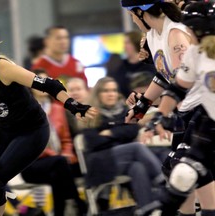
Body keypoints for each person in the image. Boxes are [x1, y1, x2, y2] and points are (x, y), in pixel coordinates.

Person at [0, 24, 96, 216]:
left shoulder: (3, 68)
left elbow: (49, 85)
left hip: (32, 131)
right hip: (5, 131)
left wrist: (73, 105)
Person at [141, 2, 215, 215]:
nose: (187, 31)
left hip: (204, 115)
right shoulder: (195, 54)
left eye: (190, 27)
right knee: (182, 170)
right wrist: (161, 118)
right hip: (207, 120)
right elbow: (177, 89)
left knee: (187, 169)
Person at [80, 77, 164, 213]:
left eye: (113, 90)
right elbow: (93, 141)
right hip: (101, 162)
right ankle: (162, 180)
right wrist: (120, 132)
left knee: (137, 167)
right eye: (106, 91)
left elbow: (132, 129)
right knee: (136, 148)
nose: (111, 94)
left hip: (123, 160)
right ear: (98, 93)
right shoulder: (89, 113)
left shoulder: (123, 110)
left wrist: (110, 133)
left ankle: (147, 208)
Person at [20, 69, 87, 216]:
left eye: (46, 82)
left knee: (58, 176)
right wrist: (57, 155)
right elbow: (32, 143)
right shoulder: (25, 110)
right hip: (32, 164)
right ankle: (77, 201)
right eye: (39, 82)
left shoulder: (58, 109)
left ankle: (61, 212)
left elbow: (66, 139)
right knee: (59, 165)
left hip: (57, 163)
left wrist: (67, 153)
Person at [108, 31, 157, 98]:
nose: (124, 46)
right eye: (124, 43)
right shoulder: (120, 67)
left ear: (135, 43)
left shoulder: (150, 65)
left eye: (127, 43)